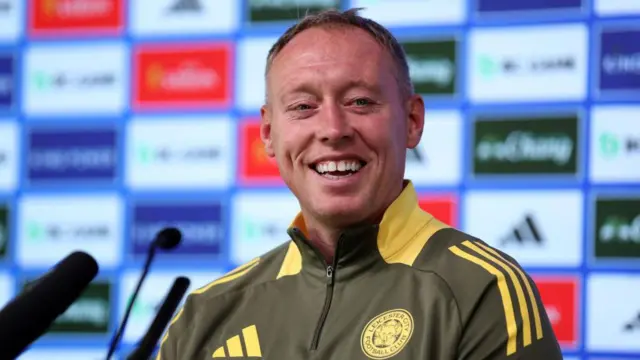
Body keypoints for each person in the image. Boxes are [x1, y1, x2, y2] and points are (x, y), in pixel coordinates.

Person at [156, 8, 563, 360]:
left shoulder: (482, 289)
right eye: (303, 107)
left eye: (360, 102)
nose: (333, 129)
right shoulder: (205, 315)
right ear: (268, 134)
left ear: (412, 122)